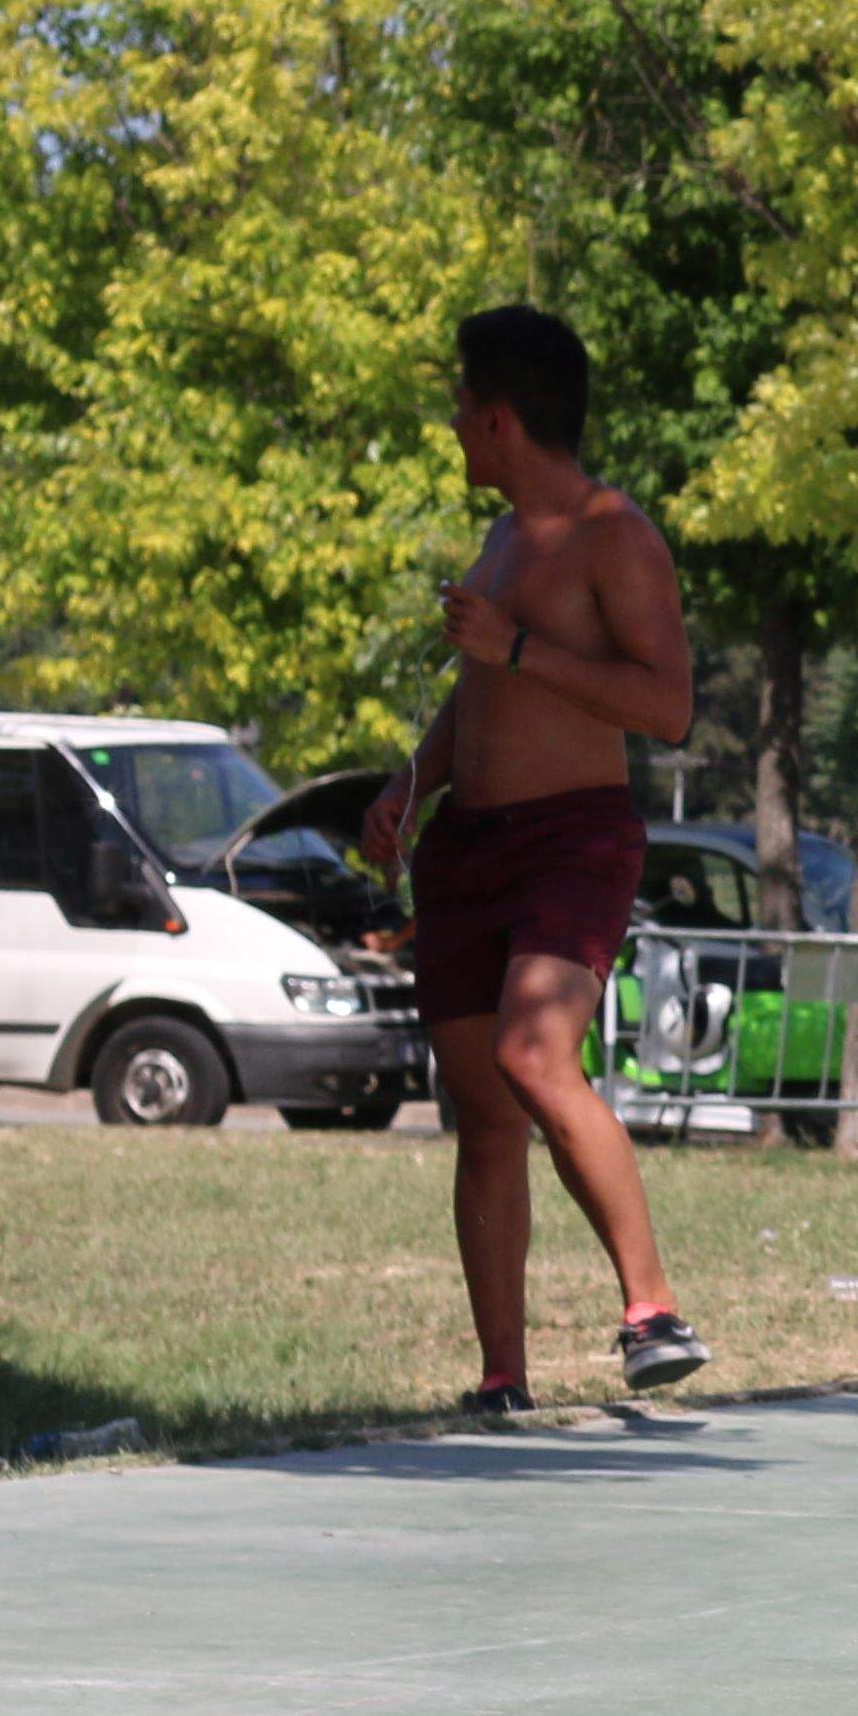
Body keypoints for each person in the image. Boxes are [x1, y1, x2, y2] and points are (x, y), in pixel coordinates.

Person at [356, 306, 708, 1411]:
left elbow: (669, 708)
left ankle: (653, 1310)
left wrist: (516, 646)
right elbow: (483, 695)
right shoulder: (504, 540)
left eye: (462, 406)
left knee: (535, 1054)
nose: (454, 426)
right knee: (486, 1113)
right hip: (468, 848)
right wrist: (412, 784)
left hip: (572, 839)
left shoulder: (614, 533)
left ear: (499, 417)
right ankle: (502, 1375)